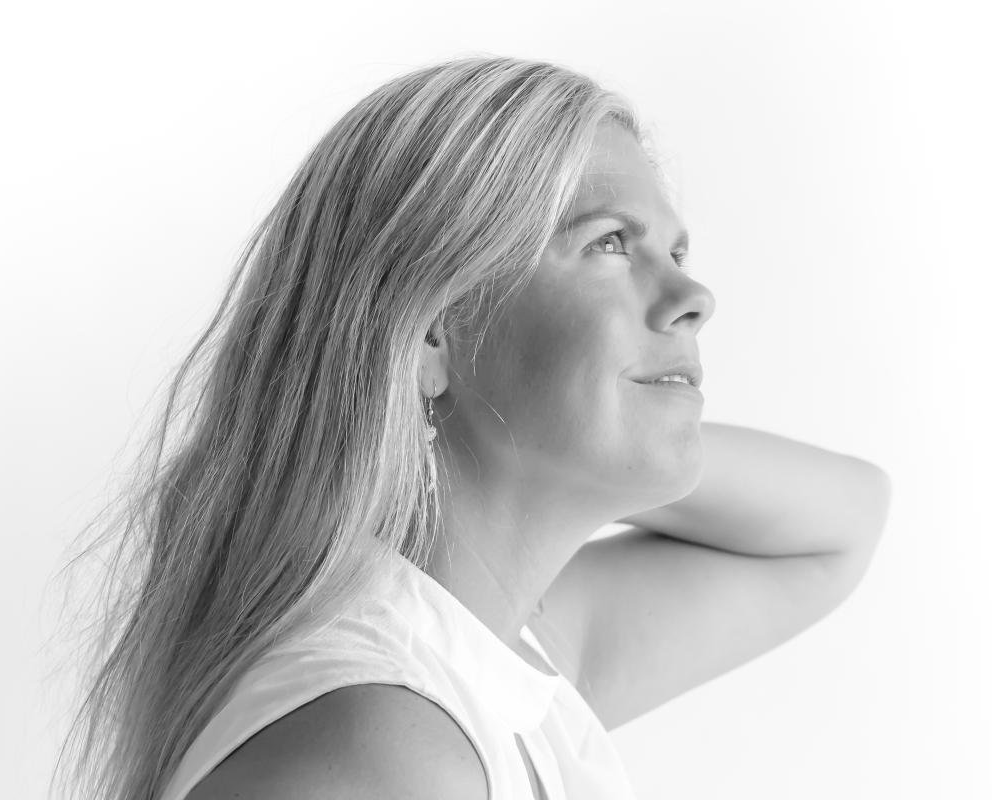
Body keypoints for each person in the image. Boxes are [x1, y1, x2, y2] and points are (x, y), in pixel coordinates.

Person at [51, 54, 891, 800]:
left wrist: (608, 445)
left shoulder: (494, 656)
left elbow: (845, 521)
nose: (693, 297)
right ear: (432, 332)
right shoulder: (387, 749)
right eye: (609, 243)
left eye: (675, 253)